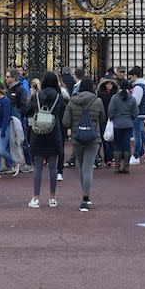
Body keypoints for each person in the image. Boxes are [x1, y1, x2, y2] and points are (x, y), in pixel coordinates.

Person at [63, 76, 103, 211]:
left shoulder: (73, 101)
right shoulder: (98, 101)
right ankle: (86, 198)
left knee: (81, 167)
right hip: (93, 138)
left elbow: (66, 122)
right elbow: (103, 118)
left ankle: (85, 194)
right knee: (88, 167)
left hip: (77, 137)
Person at [26, 71, 64, 208]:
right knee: (53, 168)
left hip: (38, 133)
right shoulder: (58, 97)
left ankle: (36, 198)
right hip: (54, 132)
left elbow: (28, 111)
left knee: (38, 167)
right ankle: (52, 198)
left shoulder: (36, 96)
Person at [107, 79, 137, 173]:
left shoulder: (115, 98)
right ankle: (126, 167)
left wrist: (112, 117)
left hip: (117, 124)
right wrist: (131, 118)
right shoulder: (131, 98)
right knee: (126, 145)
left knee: (117, 145)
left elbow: (110, 111)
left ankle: (117, 166)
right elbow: (136, 112)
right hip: (128, 124)